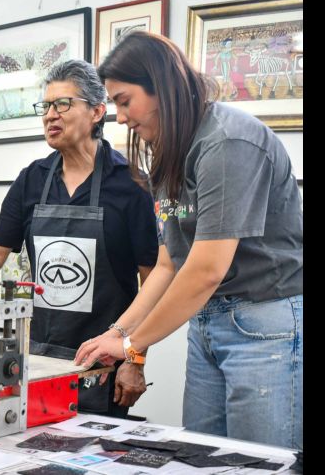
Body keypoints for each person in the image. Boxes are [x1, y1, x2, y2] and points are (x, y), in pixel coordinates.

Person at [75, 31, 302, 450]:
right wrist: (119, 333)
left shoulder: (228, 142)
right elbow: (169, 264)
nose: (120, 117)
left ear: (160, 85)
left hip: (263, 325)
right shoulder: (171, 150)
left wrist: (132, 344)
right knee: (199, 455)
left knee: (260, 460)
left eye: (125, 101)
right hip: (208, 324)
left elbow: (206, 270)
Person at [0, 60, 159, 417]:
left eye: (63, 104)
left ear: (97, 112)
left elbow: (153, 281)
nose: (50, 115)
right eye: (46, 106)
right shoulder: (32, 180)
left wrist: (137, 355)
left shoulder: (131, 186)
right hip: (33, 360)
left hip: (100, 364)